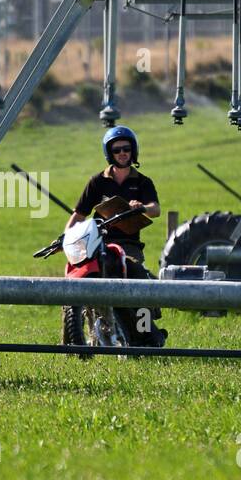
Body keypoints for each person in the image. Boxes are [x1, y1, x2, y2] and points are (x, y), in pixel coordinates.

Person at [65, 125, 166, 346]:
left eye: (126, 149)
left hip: (128, 245)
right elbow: (79, 214)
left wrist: (142, 207)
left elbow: (156, 209)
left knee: (137, 275)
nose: (122, 153)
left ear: (134, 151)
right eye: (117, 149)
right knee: (73, 281)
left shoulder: (143, 182)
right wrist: (66, 238)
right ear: (109, 153)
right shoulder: (97, 181)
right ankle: (69, 340)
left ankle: (147, 331)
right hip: (97, 242)